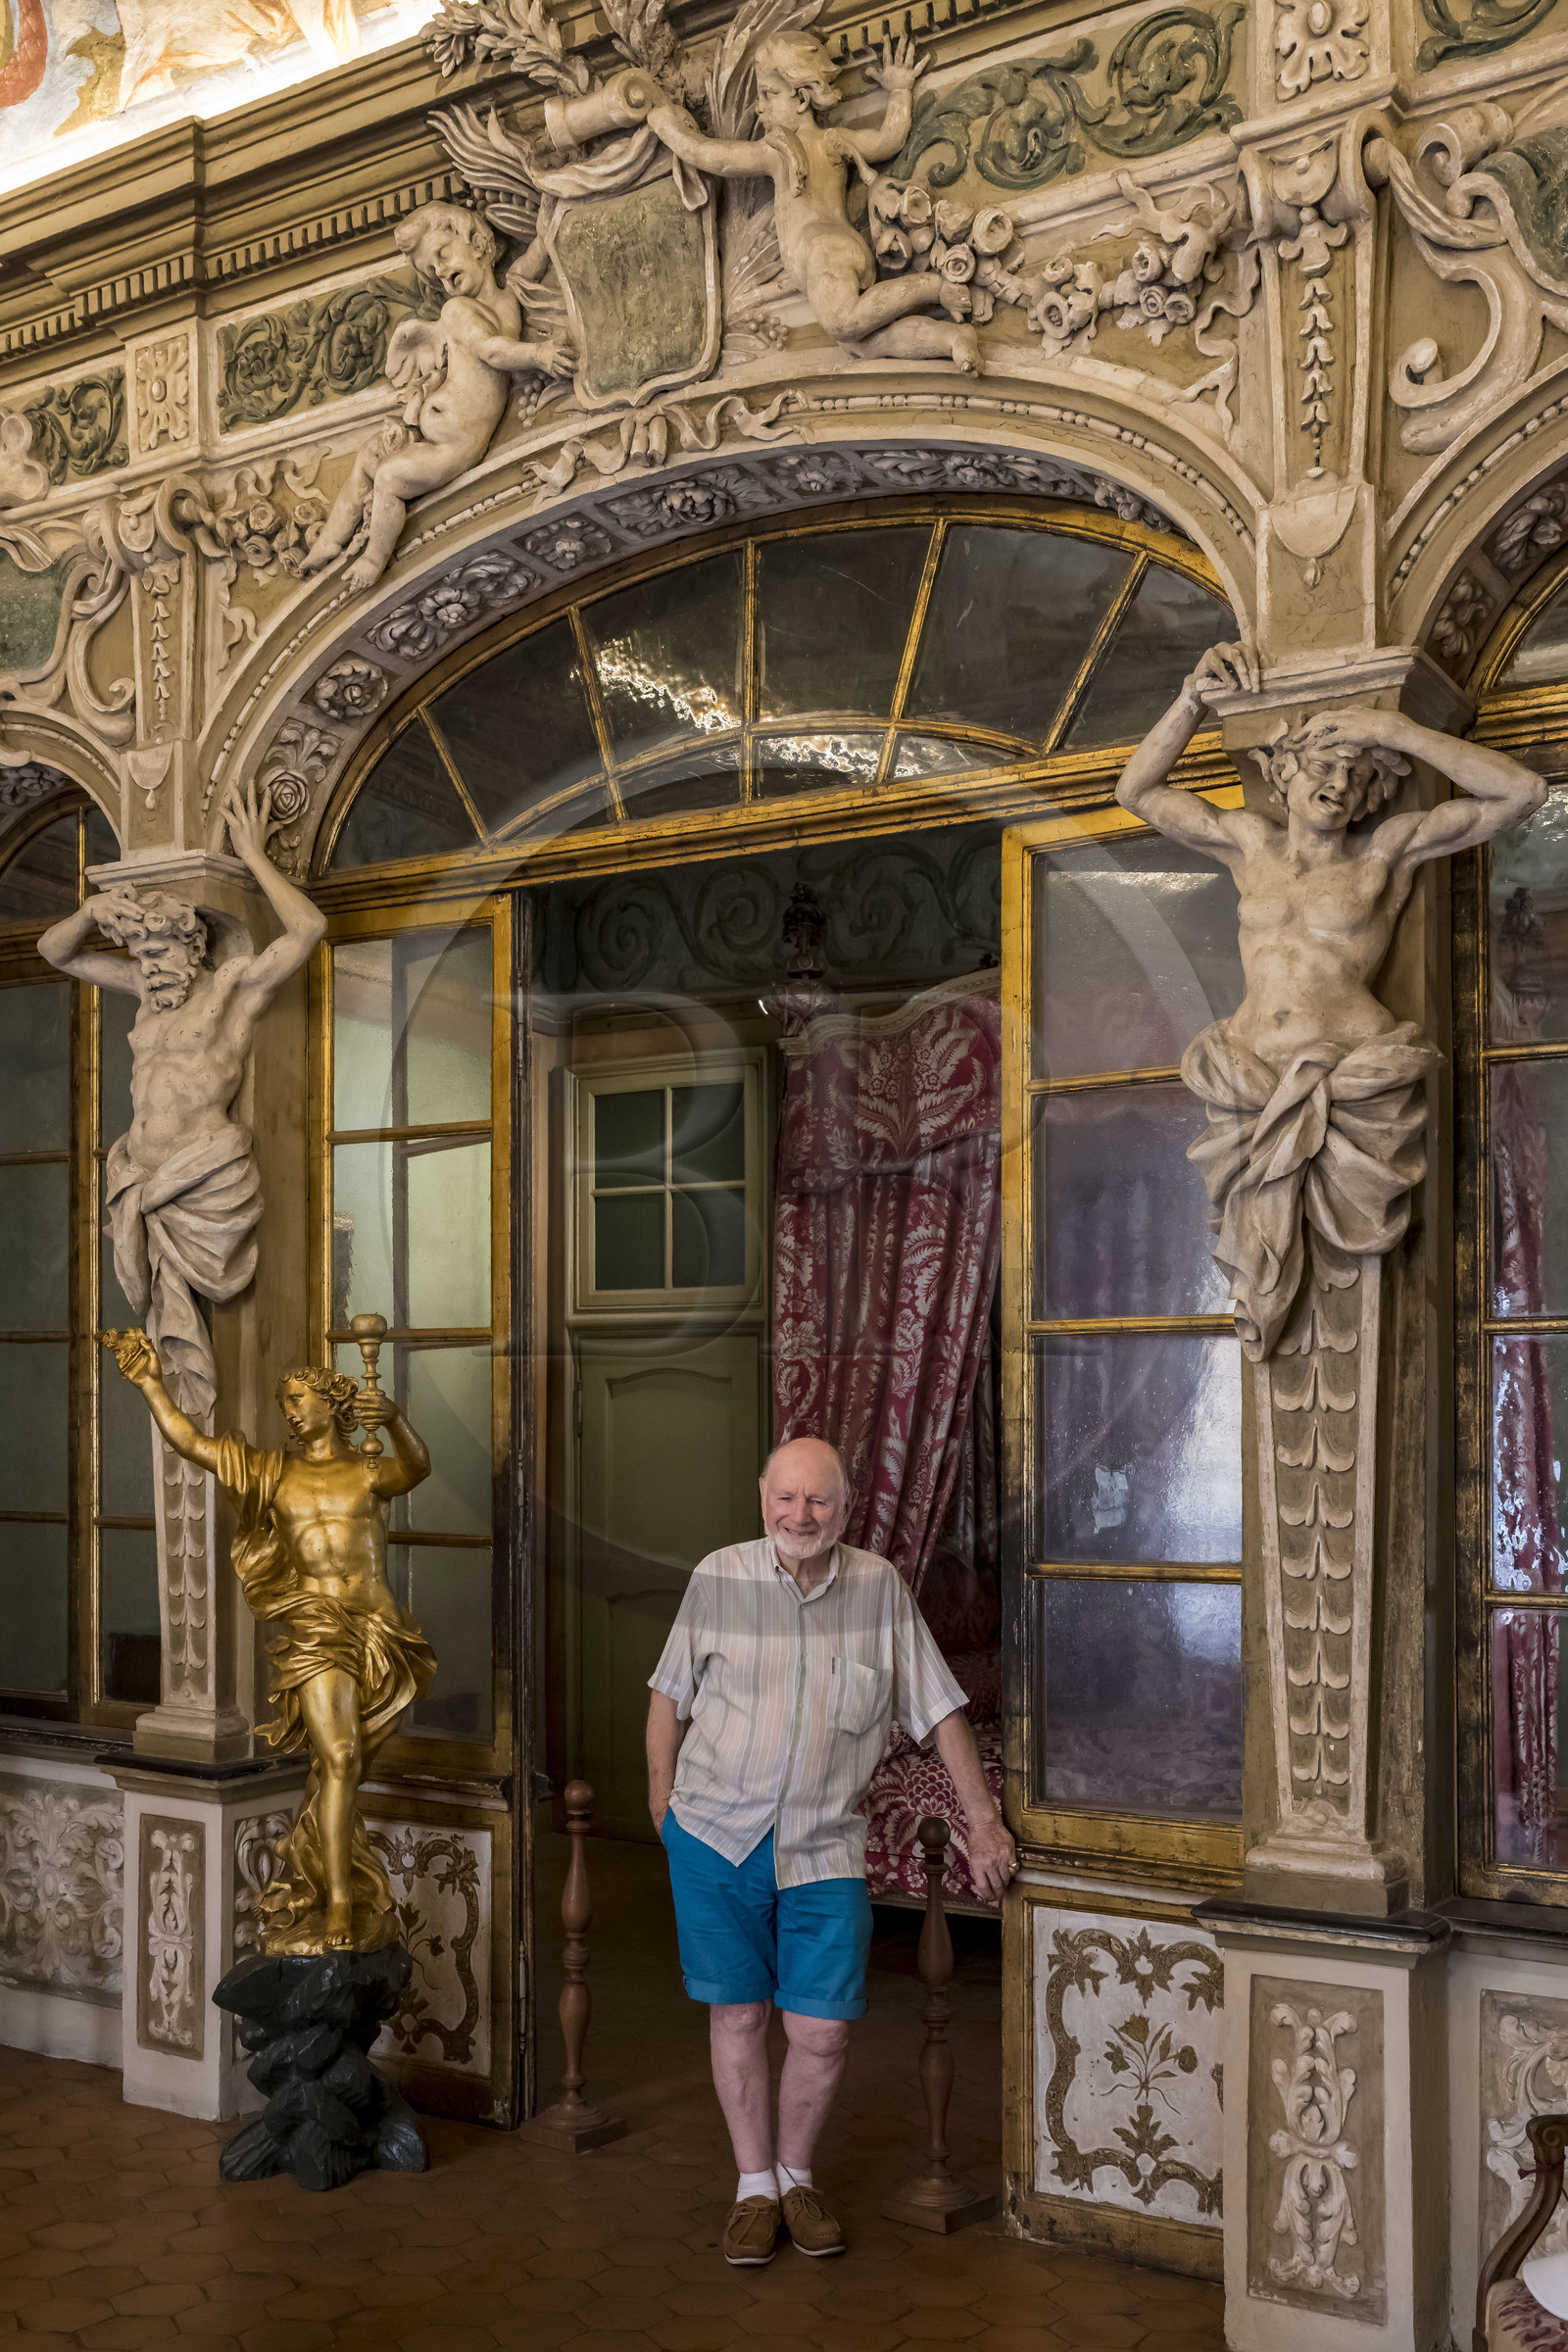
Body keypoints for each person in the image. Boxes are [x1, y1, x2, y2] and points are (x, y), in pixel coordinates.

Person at [1115, 640, 1547, 1356]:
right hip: (1248, 1083)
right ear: (1283, 774)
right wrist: (1191, 700)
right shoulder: (1248, 844)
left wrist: (1396, 731)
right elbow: (1137, 793)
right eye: (1323, 767)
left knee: (1356, 1273)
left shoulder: (1385, 853)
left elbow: (1522, 793)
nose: (1340, 784)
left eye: (1355, 774)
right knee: (1262, 1259)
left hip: (1349, 1085)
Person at [645, 1434, 1015, 2267]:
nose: (800, 1514)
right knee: (739, 2015)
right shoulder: (718, 1577)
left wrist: (982, 1820)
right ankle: (755, 2188)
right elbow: (668, 1696)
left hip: (824, 1847)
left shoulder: (879, 1588)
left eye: (818, 1500)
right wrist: (662, 1805)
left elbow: (941, 1710)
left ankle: (797, 2177)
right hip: (715, 1838)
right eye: (786, 1497)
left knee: (822, 2032)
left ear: (847, 1509)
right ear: (762, 1498)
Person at [101, 1330, 436, 1953]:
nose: (289, 1410)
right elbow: (193, 1443)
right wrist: (151, 1384)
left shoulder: (366, 1469)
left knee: (339, 1769)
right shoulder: (272, 1472)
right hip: (316, 1632)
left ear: (332, 1403)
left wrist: (394, 1419)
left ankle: (317, 1869)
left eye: (299, 1398)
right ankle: (340, 1902)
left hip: (382, 1633)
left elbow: (417, 1467)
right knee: (340, 1759)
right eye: (285, 1402)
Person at [38, 777, 326, 1427]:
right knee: (157, 1323)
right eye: (141, 955)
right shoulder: (144, 992)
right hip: (140, 1177)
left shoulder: (232, 992)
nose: (151, 966)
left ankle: (201, 1435)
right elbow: (54, 953)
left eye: (162, 953)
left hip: (202, 1178)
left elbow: (309, 928)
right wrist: (92, 910)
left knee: (202, 1332)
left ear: (193, 948)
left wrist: (253, 857)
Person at [646, 32, 983, 371]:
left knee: (842, 322)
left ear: (802, 99)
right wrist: (898, 91)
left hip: (823, 252)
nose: (759, 107)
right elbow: (888, 139)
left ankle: (934, 287)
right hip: (836, 252)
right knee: (862, 345)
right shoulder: (832, 141)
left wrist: (665, 126)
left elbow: (710, 155)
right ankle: (952, 339)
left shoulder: (779, 150)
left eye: (768, 93)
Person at [297, 202, 573, 594]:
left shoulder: (471, 306)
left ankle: (373, 558)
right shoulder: (475, 305)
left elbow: (493, 349)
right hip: (435, 437)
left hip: (452, 447)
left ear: (479, 244)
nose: (440, 271)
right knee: (369, 456)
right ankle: (329, 541)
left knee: (388, 476)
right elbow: (540, 245)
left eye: (442, 254)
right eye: (431, 270)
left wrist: (539, 354)